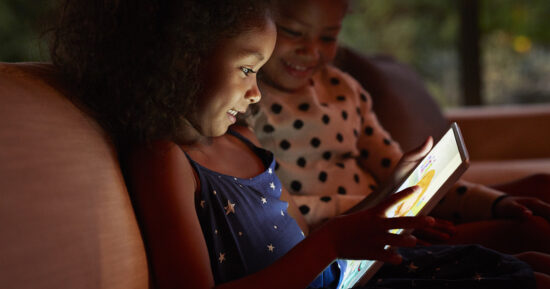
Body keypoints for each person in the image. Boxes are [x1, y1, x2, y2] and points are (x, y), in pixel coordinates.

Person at [49, 0, 549, 288]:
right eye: (248, 69)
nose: (255, 91)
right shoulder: (163, 161)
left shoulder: (242, 140)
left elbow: (309, 244)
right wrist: (331, 243)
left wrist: (393, 188)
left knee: (523, 265)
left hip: (350, 278)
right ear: (177, 61)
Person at [247, 0, 550, 254]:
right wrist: (380, 209)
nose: (311, 51)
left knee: (539, 187)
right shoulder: (246, 98)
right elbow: (278, 210)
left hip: (397, 213)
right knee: (526, 233)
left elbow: (398, 171)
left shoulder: (342, 88)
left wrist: (494, 203)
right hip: (358, 238)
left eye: (327, 38)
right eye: (292, 32)